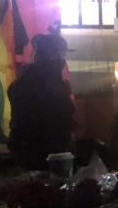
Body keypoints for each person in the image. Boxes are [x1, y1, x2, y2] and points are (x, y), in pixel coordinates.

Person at [7, 33, 76, 171]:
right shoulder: (52, 82)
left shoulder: (21, 82)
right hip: (46, 150)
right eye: (60, 55)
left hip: (23, 148)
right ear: (54, 55)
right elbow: (64, 114)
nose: (62, 61)